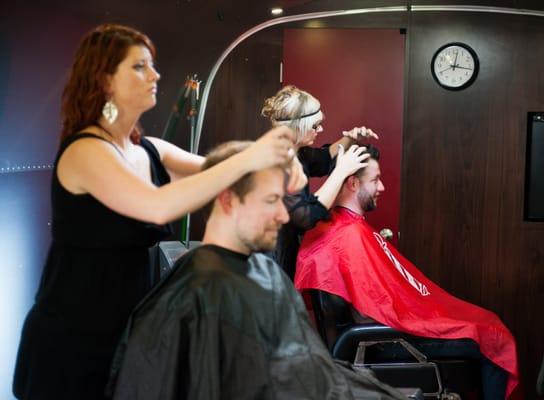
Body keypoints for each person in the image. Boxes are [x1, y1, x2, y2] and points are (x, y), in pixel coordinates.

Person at [12, 24, 305, 400]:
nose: (155, 75)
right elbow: (157, 206)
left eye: (152, 66)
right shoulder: (84, 152)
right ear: (104, 79)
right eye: (139, 67)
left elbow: (217, 168)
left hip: (128, 336)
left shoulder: (150, 150)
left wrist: (279, 162)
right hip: (71, 343)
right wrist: (254, 155)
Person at [108, 141, 409, 400]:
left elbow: (310, 372)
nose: (282, 215)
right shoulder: (192, 295)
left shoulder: (265, 271)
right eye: (271, 200)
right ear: (228, 199)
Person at [295, 145, 520, 400]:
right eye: (375, 180)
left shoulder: (345, 228)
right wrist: (421, 318)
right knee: (494, 336)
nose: (382, 188)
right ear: (353, 184)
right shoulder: (346, 236)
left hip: (399, 325)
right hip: (386, 341)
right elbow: (367, 313)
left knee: (489, 324)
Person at [261, 85, 377, 278]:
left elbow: (322, 159)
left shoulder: (296, 152)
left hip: (282, 252)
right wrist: (341, 171)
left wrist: (350, 139)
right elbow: (307, 216)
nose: (320, 129)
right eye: (315, 126)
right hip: (267, 262)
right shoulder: (278, 161)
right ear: (297, 126)